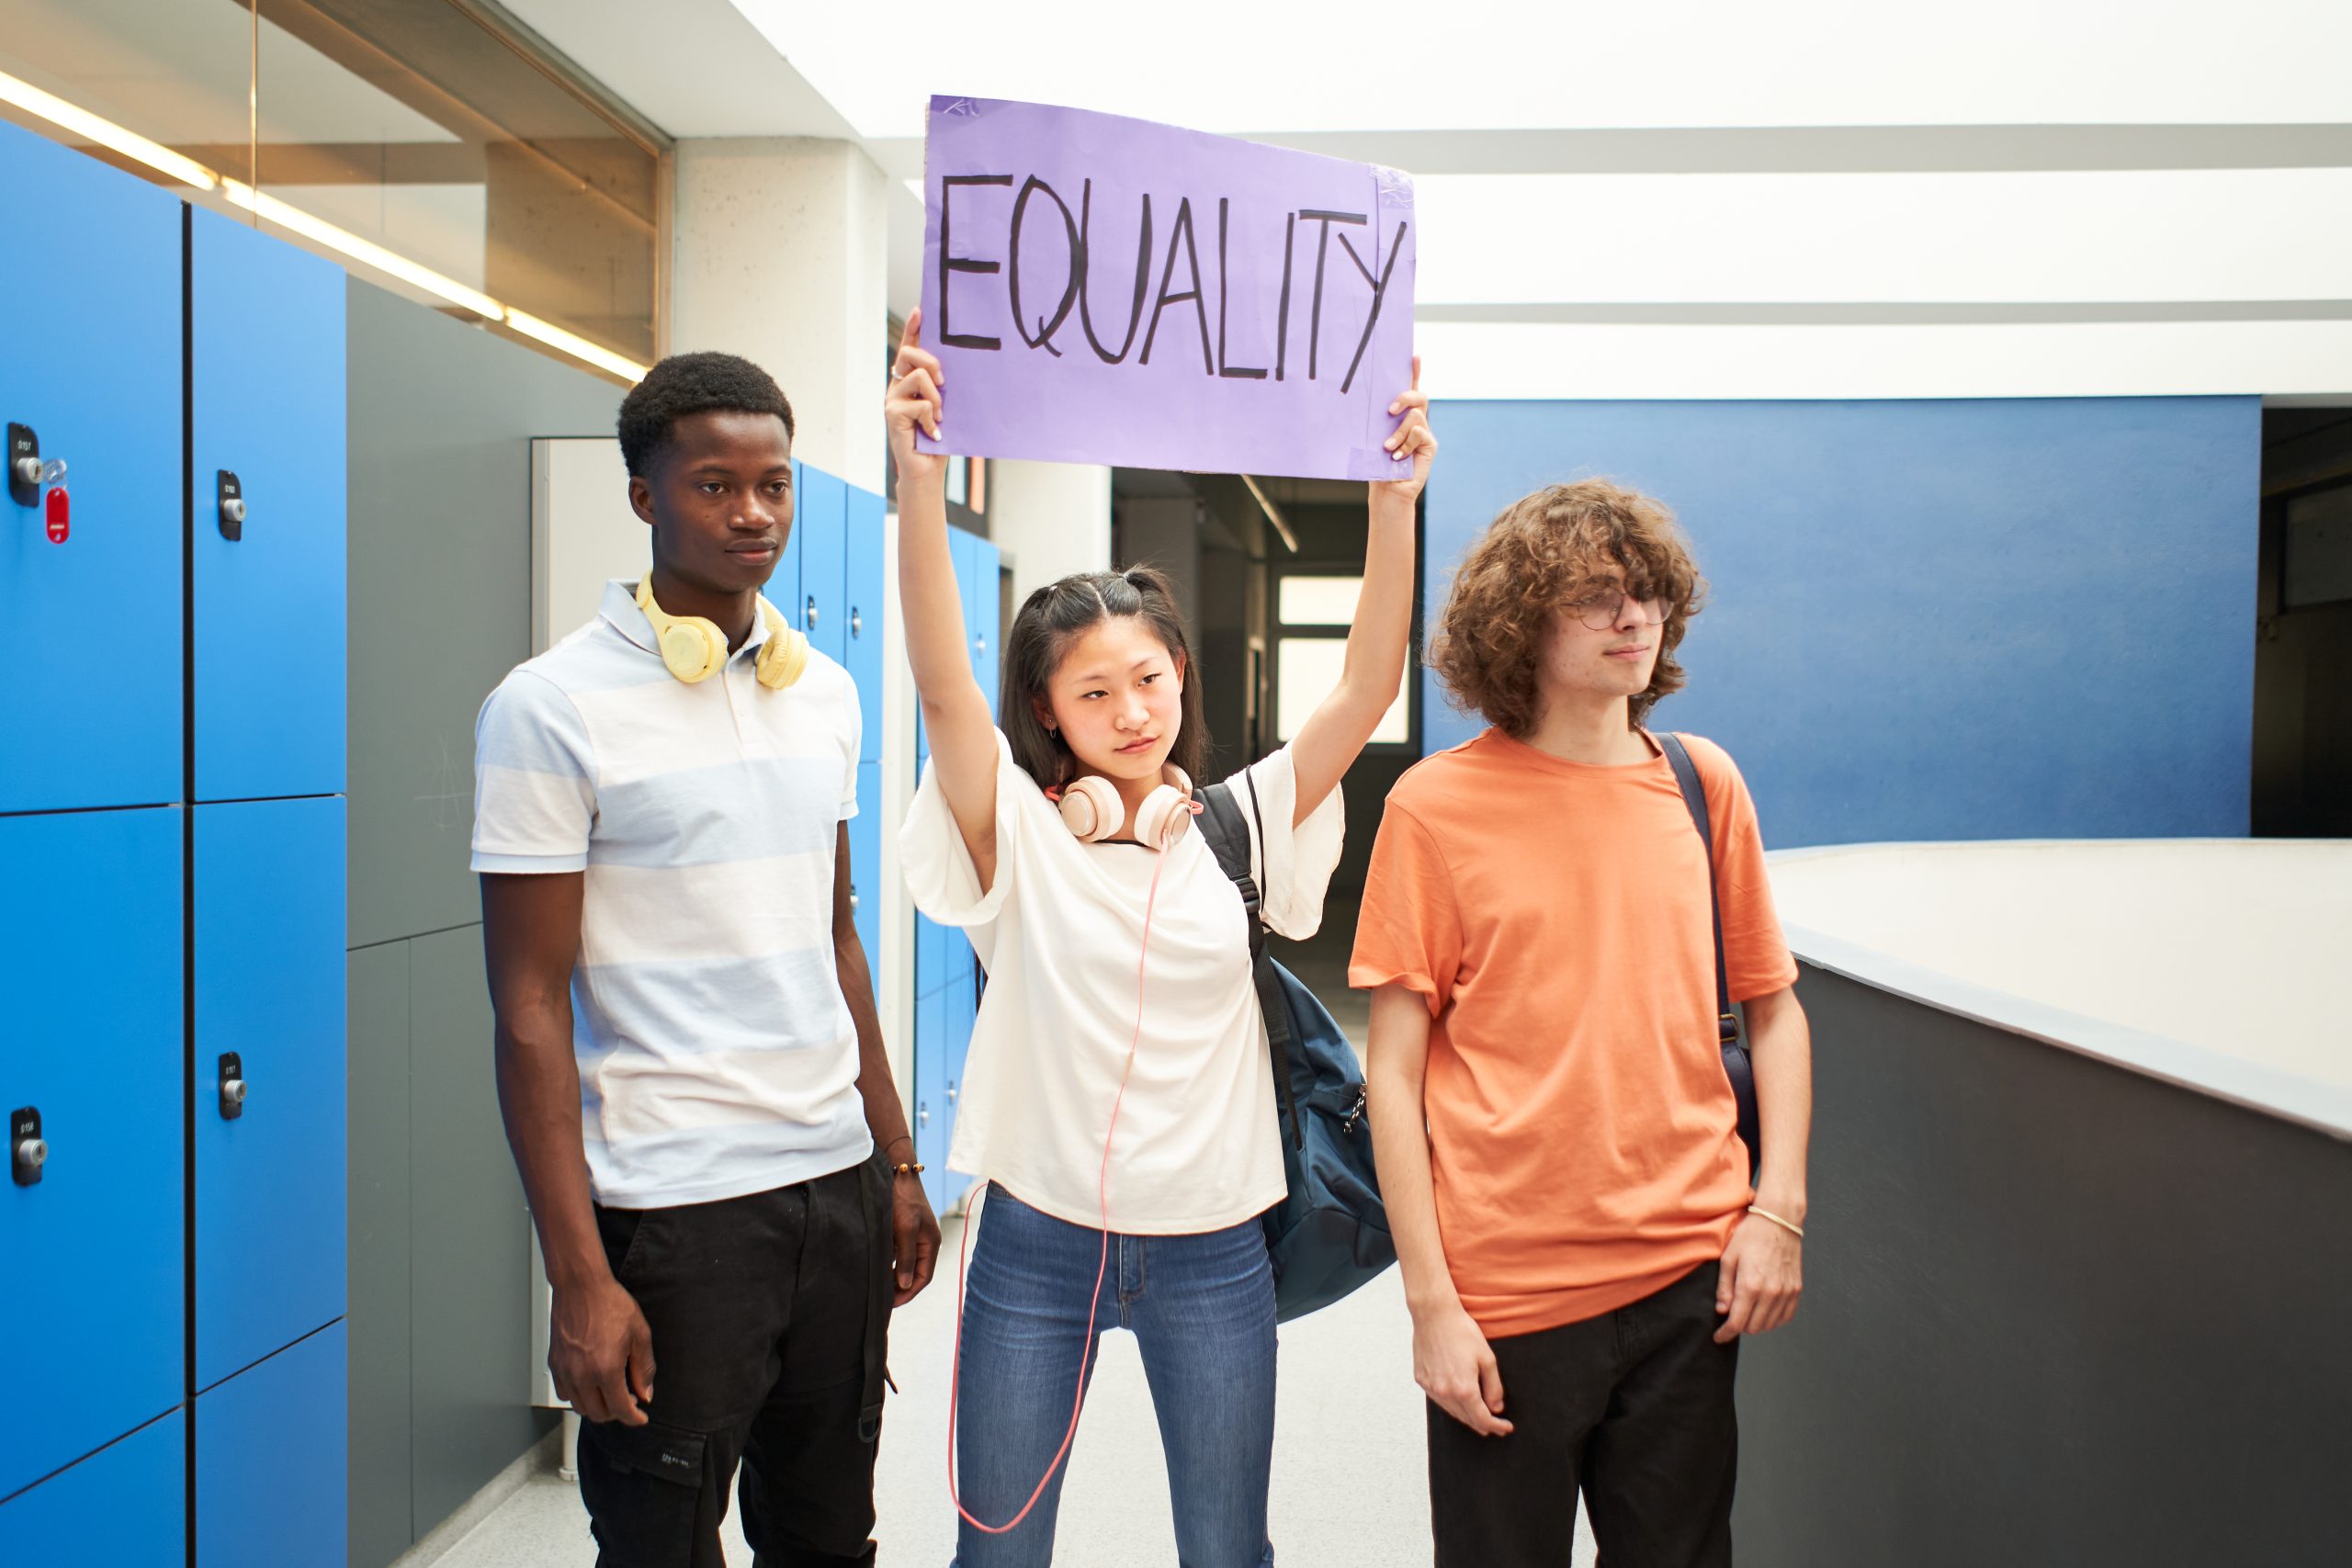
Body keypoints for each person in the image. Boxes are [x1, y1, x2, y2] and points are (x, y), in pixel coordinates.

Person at [885, 308, 1433, 1567]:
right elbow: (940, 684)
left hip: (1214, 1246)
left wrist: (1393, 499)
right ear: (1048, 712)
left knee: (1227, 1552)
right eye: (1093, 690)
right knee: (998, 1552)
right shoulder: (1016, 834)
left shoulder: (1238, 825)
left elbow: (1359, 688)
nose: (1131, 711)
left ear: (1180, 673)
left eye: (1149, 678)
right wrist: (920, 478)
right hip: (1034, 1241)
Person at [472, 351, 939, 1568]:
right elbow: (527, 1006)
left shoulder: (824, 692)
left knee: (832, 1533)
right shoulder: (550, 705)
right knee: (661, 1542)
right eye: (714, 485)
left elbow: (835, 933)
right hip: (674, 1209)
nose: (752, 513)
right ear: (644, 498)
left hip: (831, 1189)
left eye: (774, 485)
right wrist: (578, 1276)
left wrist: (894, 1159)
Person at [1351, 479, 1813, 1568]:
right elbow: (1393, 1075)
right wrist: (1431, 1308)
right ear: (1519, 625)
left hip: (1685, 1280)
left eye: (1646, 594)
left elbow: (1775, 1010)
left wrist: (1777, 1212)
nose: (1632, 618)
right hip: (1508, 1294)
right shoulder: (1432, 807)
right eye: (1595, 598)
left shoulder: (1704, 785)